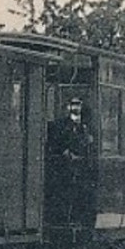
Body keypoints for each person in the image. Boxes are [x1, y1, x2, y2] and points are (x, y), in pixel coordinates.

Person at [46, 94, 98, 227]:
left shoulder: (87, 127)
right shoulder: (58, 125)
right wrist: (66, 153)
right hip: (64, 169)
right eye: (73, 104)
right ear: (68, 107)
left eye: (78, 104)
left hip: (82, 170)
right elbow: (53, 144)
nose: (75, 107)